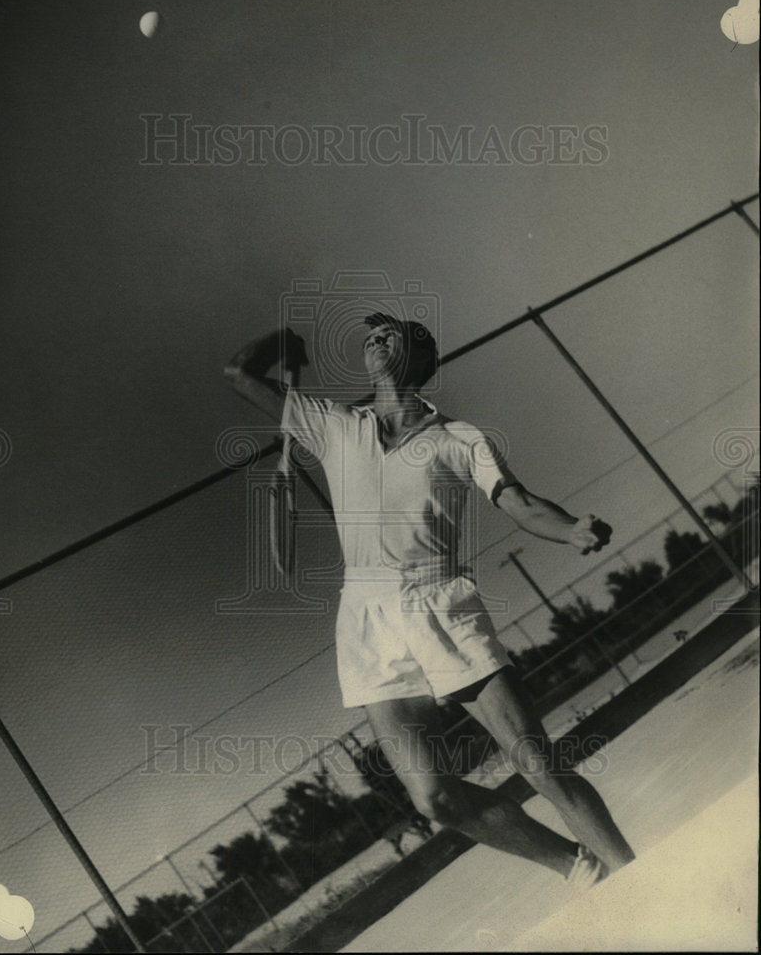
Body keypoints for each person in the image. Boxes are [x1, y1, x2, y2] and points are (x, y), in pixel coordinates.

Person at [226, 313, 635, 887]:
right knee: (434, 798)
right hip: (367, 618)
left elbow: (516, 501)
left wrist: (569, 529)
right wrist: (283, 340)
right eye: (370, 335)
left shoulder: (460, 437)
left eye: (391, 333)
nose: (375, 339)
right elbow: (241, 373)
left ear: (421, 358)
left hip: (441, 601)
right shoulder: (335, 424)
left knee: (538, 764)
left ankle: (639, 875)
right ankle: (572, 864)